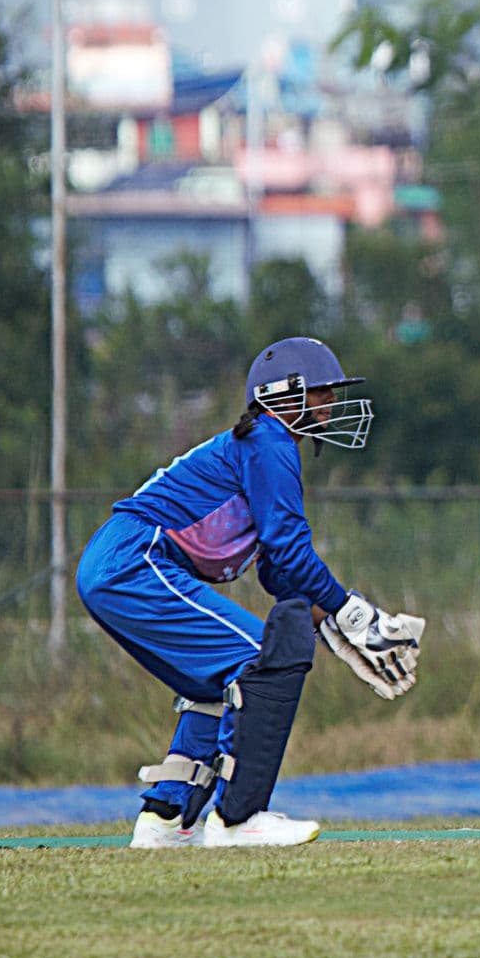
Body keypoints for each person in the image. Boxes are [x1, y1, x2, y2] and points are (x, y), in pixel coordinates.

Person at [77, 337, 425, 849]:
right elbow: (289, 549)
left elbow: (275, 572)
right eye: (322, 392)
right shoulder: (270, 442)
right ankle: (239, 817)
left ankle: (166, 819)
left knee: (215, 682)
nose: (331, 404)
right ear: (285, 394)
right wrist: (353, 613)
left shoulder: (263, 444)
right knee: (256, 659)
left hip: (117, 563)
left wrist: (330, 620)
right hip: (135, 557)